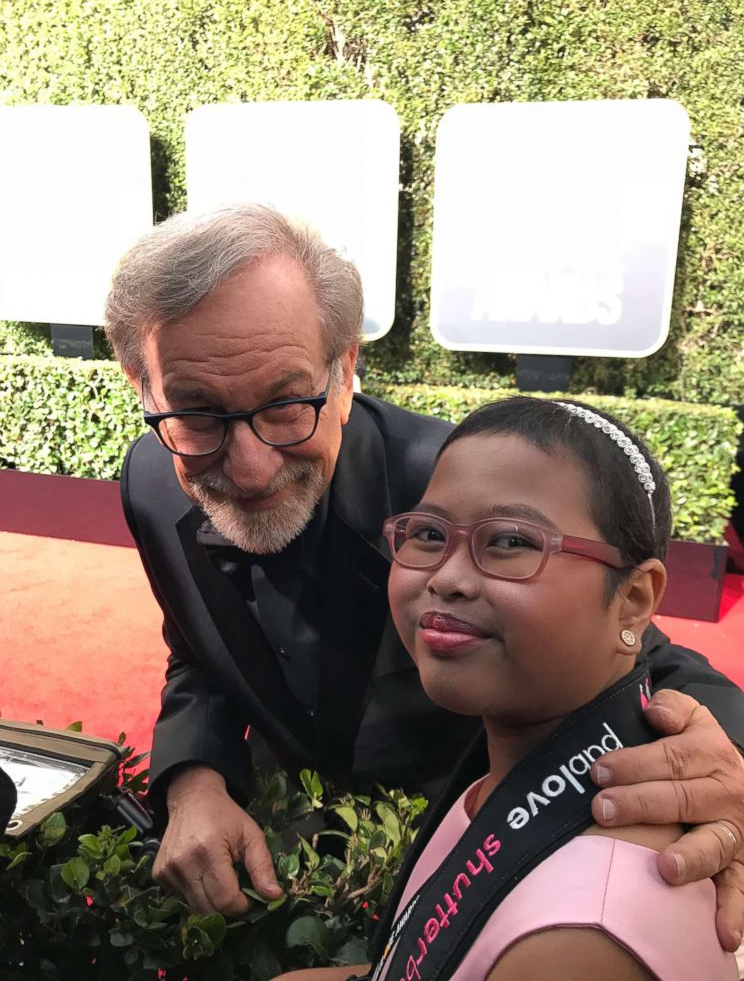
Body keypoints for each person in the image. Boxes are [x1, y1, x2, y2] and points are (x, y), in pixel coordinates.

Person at [104, 204, 744, 946]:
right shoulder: (151, 481)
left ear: (345, 370)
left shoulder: (453, 488)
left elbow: (645, 651)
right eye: (196, 412)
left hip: (470, 869)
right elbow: (197, 650)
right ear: (141, 386)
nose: (249, 468)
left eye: (286, 403)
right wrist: (194, 781)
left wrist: (728, 764)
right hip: (276, 860)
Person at [274, 397, 738, 981]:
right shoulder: (513, 769)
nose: (446, 577)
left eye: (512, 542)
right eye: (427, 533)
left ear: (635, 598)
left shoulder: (582, 936)